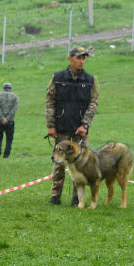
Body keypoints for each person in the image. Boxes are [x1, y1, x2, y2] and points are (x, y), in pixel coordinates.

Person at [45, 46, 99, 206]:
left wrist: (86, 124)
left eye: (84, 58)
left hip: (80, 130)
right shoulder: (58, 77)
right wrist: (51, 125)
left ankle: (77, 198)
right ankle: (55, 196)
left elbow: (93, 102)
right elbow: (50, 101)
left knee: (81, 163)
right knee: (59, 162)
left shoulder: (90, 80)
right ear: (70, 58)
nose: (81, 61)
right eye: (78, 58)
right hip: (61, 127)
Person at [0, 81, 18, 159]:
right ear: (11, 88)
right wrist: (7, 119)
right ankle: (6, 155)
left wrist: (2, 118)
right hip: (10, 121)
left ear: (4, 88)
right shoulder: (15, 97)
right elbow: (14, 109)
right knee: (9, 139)